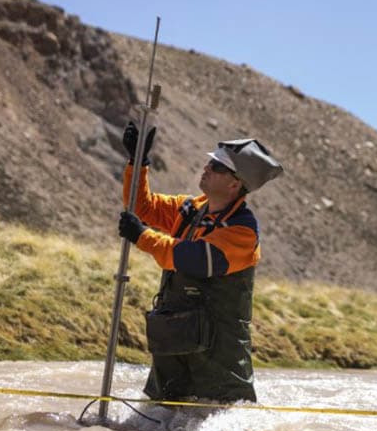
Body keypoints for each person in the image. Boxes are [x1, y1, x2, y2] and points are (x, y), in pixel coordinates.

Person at [117, 123, 283, 401]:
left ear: (235, 183)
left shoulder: (243, 231)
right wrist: (138, 163)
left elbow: (194, 260)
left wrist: (143, 237)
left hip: (218, 359)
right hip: (174, 344)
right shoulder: (190, 209)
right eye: (210, 161)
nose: (207, 167)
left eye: (217, 166)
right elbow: (141, 208)